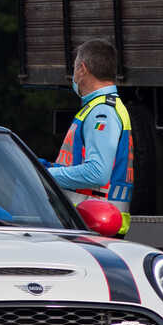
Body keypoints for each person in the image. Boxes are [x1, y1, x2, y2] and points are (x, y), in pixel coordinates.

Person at [44, 38, 133, 234]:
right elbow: (73, 163)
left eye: (75, 67)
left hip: (94, 224)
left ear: (83, 69)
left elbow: (97, 173)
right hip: (93, 223)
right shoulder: (101, 108)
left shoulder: (102, 112)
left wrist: (44, 177)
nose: (73, 75)